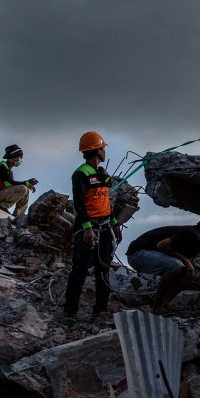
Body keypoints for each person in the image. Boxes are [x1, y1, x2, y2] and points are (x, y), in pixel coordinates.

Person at [64, 131, 122, 320]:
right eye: (103, 148)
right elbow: (79, 204)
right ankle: (70, 311)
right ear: (96, 150)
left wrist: (114, 224)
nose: (105, 151)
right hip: (88, 228)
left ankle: (101, 309)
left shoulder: (102, 174)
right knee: (80, 269)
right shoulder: (81, 174)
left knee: (103, 268)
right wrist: (88, 228)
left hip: (104, 227)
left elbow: (106, 202)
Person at [127, 216, 200, 313]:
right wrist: (186, 261)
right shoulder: (193, 234)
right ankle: (157, 306)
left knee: (194, 272)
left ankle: (165, 303)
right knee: (175, 266)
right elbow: (161, 245)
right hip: (137, 254)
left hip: (153, 254)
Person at [0, 144, 37, 216]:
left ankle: (19, 214)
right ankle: (3, 206)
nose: (20, 159)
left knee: (26, 189)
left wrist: (27, 183)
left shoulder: (9, 169)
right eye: (19, 156)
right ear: (13, 157)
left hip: (0, 195)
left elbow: (11, 184)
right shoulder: (2, 166)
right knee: (23, 188)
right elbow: (9, 184)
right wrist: (26, 183)